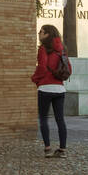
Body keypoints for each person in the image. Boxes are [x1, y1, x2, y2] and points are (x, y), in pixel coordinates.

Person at [32, 23, 67, 157]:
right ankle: (62, 150)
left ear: (48, 34)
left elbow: (41, 68)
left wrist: (35, 79)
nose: (39, 34)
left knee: (43, 118)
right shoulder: (62, 49)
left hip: (45, 88)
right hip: (60, 88)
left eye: (41, 32)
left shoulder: (43, 49)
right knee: (60, 119)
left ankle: (48, 149)